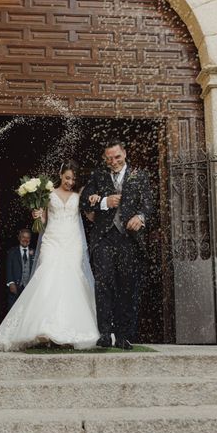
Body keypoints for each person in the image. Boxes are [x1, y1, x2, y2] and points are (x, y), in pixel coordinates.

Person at [0, 161, 99, 351]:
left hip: (73, 242)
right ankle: (43, 328)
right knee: (47, 275)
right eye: (67, 178)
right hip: (52, 239)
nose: (70, 182)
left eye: (73, 179)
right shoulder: (48, 193)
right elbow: (43, 220)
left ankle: (68, 329)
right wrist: (37, 214)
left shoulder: (78, 195)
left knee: (71, 280)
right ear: (60, 174)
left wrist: (95, 202)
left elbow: (90, 217)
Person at [80, 139, 153, 349]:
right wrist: (104, 202)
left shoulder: (139, 176)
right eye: (109, 158)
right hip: (103, 238)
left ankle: (123, 335)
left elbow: (148, 204)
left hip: (128, 239)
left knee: (126, 286)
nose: (113, 161)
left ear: (125, 154)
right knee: (103, 285)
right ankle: (105, 333)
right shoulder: (98, 175)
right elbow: (84, 201)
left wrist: (140, 217)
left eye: (117, 157)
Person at [5, 229, 34, 311]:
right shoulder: (12, 252)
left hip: (29, 287)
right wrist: (11, 283)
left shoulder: (34, 252)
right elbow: (9, 268)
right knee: (13, 310)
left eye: (28, 238)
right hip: (15, 286)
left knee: (27, 310)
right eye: (23, 237)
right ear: (19, 238)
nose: (25, 239)